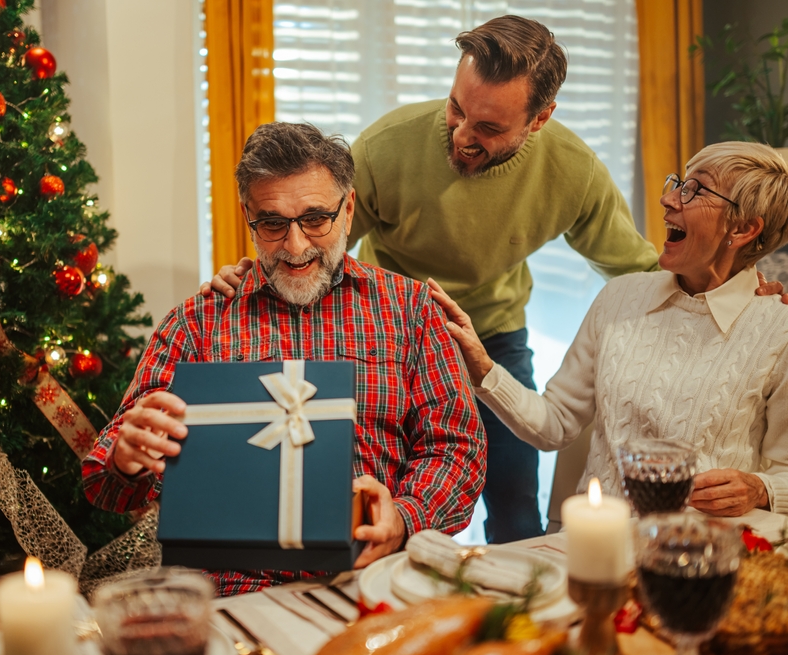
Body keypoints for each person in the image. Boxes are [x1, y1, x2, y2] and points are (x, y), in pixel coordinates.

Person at [201, 15, 786, 543]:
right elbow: (312, 245)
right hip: (397, 336)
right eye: (455, 108)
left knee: (514, 510)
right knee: (375, 494)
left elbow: (639, 267)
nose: (459, 133)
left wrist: (742, 279)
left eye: (486, 126)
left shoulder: (573, 172)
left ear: (540, 119)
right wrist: (252, 272)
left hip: (498, 335)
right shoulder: (385, 148)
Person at [83, 122, 486, 596]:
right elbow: (105, 483)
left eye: (316, 219)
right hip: (230, 593)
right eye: (272, 223)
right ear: (247, 215)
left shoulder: (410, 310)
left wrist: (404, 516)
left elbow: (459, 448)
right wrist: (128, 460)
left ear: (349, 208)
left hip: (376, 579)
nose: (295, 247)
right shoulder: (197, 323)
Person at [429, 141, 788, 517]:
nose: (668, 200)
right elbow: (555, 423)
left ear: (745, 228)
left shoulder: (777, 330)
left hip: (701, 553)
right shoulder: (620, 296)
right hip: (598, 543)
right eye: (679, 183)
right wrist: (484, 370)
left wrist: (761, 489)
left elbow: (781, 475)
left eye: (695, 190)